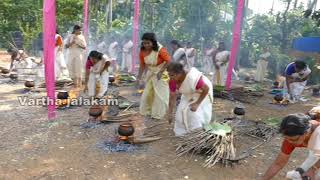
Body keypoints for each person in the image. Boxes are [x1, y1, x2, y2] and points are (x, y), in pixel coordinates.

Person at [262, 113, 320, 180]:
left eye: (293, 139)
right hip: (316, 149)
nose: (290, 142)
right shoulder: (291, 135)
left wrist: (313, 169)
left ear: (306, 133)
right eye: (286, 138)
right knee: (298, 176)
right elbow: (278, 163)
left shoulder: (317, 133)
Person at [166, 62, 213, 136]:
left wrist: (197, 103)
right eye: (168, 74)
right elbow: (172, 97)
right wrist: (170, 113)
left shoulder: (192, 79)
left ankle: (197, 132)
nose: (170, 77)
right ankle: (183, 133)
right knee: (180, 114)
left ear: (180, 73)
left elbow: (206, 89)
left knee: (194, 113)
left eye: (172, 75)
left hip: (201, 92)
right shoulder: (172, 81)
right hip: (189, 92)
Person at [137, 32, 171, 120]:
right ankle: (147, 111)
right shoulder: (142, 51)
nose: (146, 45)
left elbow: (168, 61)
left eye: (148, 43)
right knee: (147, 93)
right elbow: (142, 65)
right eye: (144, 43)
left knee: (160, 95)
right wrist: (139, 77)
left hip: (161, 73)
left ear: (153, 42)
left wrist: (161, 71)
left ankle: (158, 115)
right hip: (151, 73)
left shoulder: (160, 49)